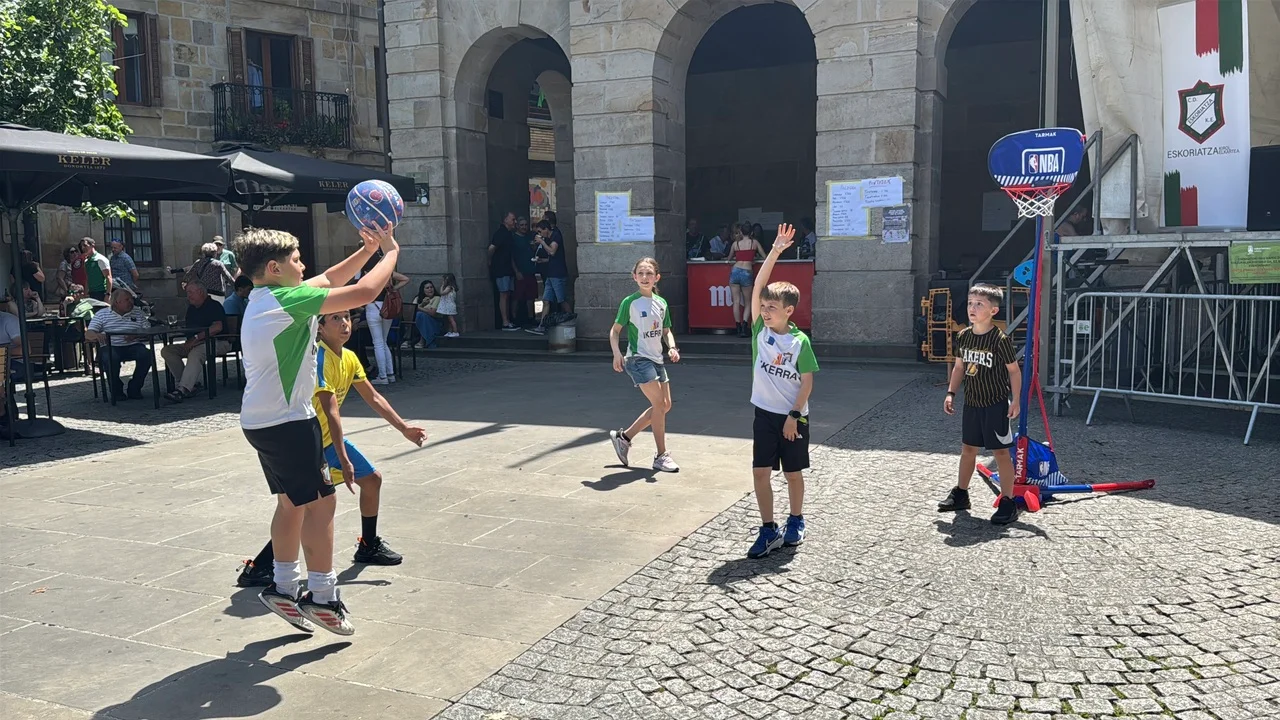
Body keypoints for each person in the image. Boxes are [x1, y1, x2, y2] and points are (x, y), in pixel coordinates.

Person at [236, 222, 400, 636]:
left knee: (291, 504)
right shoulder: (288, 300)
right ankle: (323, 596)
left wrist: (368, 251)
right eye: (296, 260)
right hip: (289, 423)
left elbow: (329, 278)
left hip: (261, 421)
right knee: (322, 504)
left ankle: (283, 587)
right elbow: (365, 293)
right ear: (274, 268)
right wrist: (391, 252)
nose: (303, 265)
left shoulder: (265, 296)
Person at [236, 309, 428, 587]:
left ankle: (368, 545)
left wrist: (403, 428)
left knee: (371, 480)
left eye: (347, 317)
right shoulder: (319, 357)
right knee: (303, 507)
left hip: (329, 442)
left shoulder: (349, 357)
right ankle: (260, 567)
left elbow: (373, 397)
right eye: (336, 318)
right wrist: (342, 457)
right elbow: (331, 410)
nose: (344, 323)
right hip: (309, 445)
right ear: (320, 328)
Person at [745, 224, 820, 559]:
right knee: (760, 472)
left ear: (789, 311)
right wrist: (774, 251)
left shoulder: (800, 341)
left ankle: (796, 519)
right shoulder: (759, 332)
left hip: (793, 418)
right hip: (764, 414)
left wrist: (793, 415)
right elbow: (758, 286)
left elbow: (807, 382)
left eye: (771, 308)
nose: (765, 311)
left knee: (792, 473)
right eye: (763, 306)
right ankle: (767, 529)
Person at [939, 283, 1022, 525]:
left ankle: (1008, 501)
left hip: (995, 404)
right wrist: (951, 393)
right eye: (970, 303)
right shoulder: (964, 336)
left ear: (993, 311)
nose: (972, 308)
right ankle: (961, 494)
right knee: (968, 449)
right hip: (972, 404)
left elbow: (1014, 371)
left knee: (1001, 452)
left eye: (979, 304)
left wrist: (1016, 400)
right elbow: (959, 367)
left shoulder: (1000, 340)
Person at [607, 257, 681, 474]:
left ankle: (624, 437)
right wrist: (616, 353)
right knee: (659, 405)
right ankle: (661, 456)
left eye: (649, 273)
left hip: (657, 359)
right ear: (634, 277)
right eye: (640, 273)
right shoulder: (629, 302)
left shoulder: (662, 303)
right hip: (638, 359)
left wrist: (672, 347)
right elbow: (615, 331)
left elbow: (666, 331)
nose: (645, 277)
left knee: (665, 405)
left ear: (657, 277)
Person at [161, 281, 227, 403]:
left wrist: (197, 338)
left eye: (190, 292)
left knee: (196, 353)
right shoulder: (191, 308)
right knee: (168, 350)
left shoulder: (214, 306)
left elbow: (217, 327)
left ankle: (183, 389)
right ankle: (190, 384)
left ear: (200, 292)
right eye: (187, 293)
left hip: (218, 342)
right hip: (195, 343)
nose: (188, 296)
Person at [85, 288, 153, 401]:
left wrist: (136, 335)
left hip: (132, 345)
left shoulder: (137, 312)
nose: (131, 302)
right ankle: (116, 390)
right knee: (110, 358)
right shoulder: (102, 314)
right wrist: (97, 335)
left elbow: (148, 330)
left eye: (131, 299)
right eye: (127, 300)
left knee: (147, 355)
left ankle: (135, 387)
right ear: (117, 302)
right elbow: (89, 333)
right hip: (111, 345)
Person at [355, 250, 409, 386]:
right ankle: (390, 374)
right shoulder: (386, 272)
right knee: (383, 342)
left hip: (373, 307)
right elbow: (405, 279)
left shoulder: (366, 273)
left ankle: (383, 376)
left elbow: (357, 288)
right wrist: (393, 288)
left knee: (378, 343)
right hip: (387, 307)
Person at [525, 219, 572, 335]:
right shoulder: (548, 239)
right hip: (551, 274)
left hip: (558, 274)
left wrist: (542, 242)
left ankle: (572, 321)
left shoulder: (555, 236)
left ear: (546, 229)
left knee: (561, 300)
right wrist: (541, 260)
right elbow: (551, 257)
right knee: (546, 300)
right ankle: (542, 326)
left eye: (540, 231)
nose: (540, 234)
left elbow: (552, 252)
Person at [728, 222, 766, 338]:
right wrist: (753, 259)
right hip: (747, 271)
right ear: (752, 232)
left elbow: (729, 259)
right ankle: (744, 327)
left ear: (741, 231)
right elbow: (765, 257)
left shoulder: (735, 244)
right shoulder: (754, 243)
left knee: (736, 301)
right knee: (748, 302)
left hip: (735, 271)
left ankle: (738, 327)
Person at [489, 211, 519, 331]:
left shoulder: (509, 234)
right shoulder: (500, 233)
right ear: (505, 220)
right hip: (501, 269)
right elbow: (492, 248)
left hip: (508, 269)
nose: (515, 222)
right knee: (503, 294)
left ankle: (508, 320)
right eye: (513, 219)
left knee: (507, 294)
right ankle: (505, 322)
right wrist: (490, 261)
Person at [511, 217, 538, 325]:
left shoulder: (529, 237)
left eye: (526, 225)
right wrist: (516, 271)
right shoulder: (513, 238)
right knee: (517, 297)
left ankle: (531, 318)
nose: (524, 227)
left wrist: (534, 247)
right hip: (519, 272)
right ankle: (513, 318)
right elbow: (511, 257)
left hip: (530, 271)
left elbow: (534, 250)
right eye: (521, 225)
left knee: (531, 297)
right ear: (517, 226)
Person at [411, 280, 442, 349]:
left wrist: (419, 307)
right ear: (423, 290)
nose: (430, 289)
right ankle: (408, 339)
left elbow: (432, 313)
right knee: (416, 316)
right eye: (427, 288)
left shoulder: (437, 298)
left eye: (431, 287)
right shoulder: (417, 298)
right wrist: (422, 304)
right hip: (416, 324)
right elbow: (412, 312)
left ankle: (423, 340)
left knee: (420, 315)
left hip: (434, 323)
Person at [437, 273, 459, 337]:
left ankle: (455, 332)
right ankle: (450, 331)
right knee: (449, 320)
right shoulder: (451, 287)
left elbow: (442, 293)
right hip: (448, 305)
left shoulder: (449, 287)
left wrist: (442, 286)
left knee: (451, 319)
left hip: (449, 306)